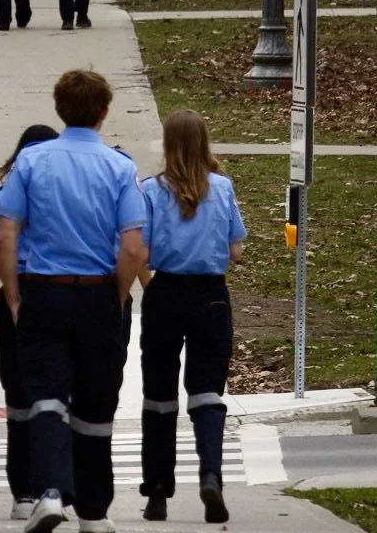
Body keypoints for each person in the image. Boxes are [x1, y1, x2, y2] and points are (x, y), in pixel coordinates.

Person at [0, 70, 148, 533]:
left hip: (43, 289)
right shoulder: (120, 168)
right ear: (104, 113)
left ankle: (50, 491)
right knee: (95, 403)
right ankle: (95, 510)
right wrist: (118, 294)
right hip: (98, 292)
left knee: (44, 396)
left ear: (59, 109)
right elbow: (135, 247)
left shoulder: (31, 162)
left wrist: (15, 295)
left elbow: (7, 231)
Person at [136, 111, 246, 525]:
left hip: (165, 293)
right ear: (205, 143)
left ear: (167, 145)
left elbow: (140, 252)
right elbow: (236, 251)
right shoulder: (223, 188)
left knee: (159, 396)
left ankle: (158, 493)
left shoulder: (150, 191)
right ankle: (212, 475)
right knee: (207, 394)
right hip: (211, 296)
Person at [0, 123, 59, 521]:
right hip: (54, 292)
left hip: (16, 296)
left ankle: (23, 492)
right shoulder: (64, 190)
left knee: (18, 398)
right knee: (54, 391)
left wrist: (1, 304)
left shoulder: (6, 194)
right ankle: (56, 485)